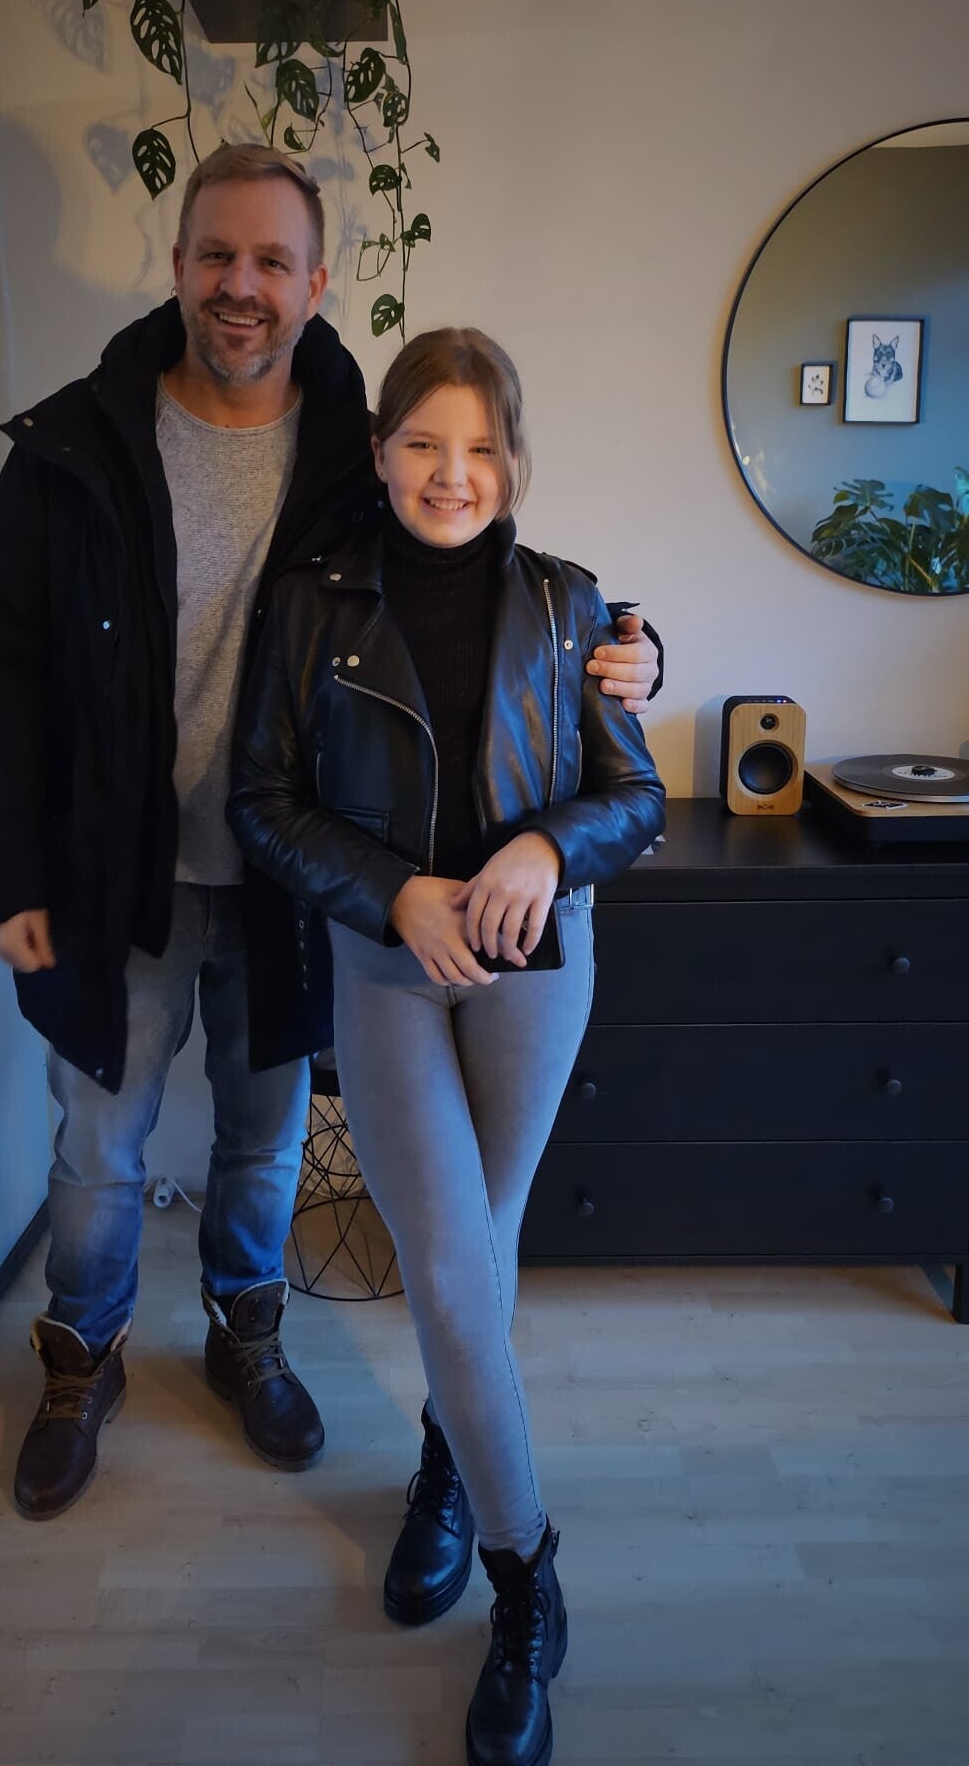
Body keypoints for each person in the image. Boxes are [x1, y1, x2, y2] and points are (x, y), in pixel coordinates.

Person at [0, 145, 662, 1522]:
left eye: (272, 261)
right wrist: (3, 866)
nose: (242, 284)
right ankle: (81, 1360)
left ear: (316, 283)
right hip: (119, 872)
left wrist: (638, 654)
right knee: (99, 1145)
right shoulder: (77, 446)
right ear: (178, 266)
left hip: (296, 876)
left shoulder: (351, 441)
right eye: (218, 254)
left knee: (265, 1139)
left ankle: (245, 1333)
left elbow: (483, 579)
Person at [229, 326, 666, 1766]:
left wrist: (548, 845)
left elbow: (637, 798)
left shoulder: (572, 606)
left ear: (515, 463)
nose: (451, 472)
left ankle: (444, 1464)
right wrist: (394, 891)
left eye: (481, 447)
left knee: (480, 1253)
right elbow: (263, 801)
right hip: (393, 970)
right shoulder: (313, 605)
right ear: (381, 452)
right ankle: (528, 1576)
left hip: (538, 972)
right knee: (449, 1270)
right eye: (424, 442)